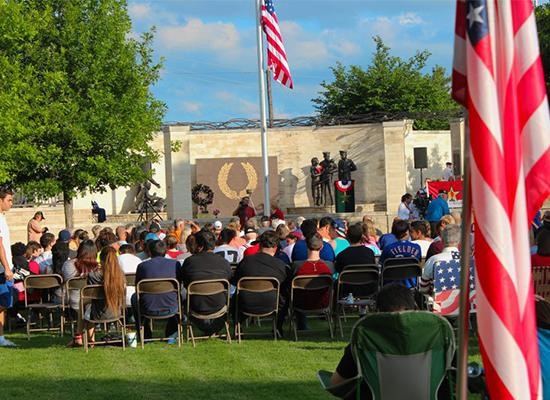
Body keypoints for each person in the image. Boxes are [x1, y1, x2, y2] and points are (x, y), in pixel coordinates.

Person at [329, 284, 417, 398]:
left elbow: (336, 383)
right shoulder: (434, 339)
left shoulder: (364, 342)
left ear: (378, 313)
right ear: (416, 309)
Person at [233, 230, 291, 335]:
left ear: (259, 245)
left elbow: (235, 280)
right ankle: (278, 327)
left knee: (235, 296)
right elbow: (286, 285)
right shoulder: (280, 265)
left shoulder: (246, 261)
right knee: (284, 295)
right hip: (272, 304)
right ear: (275, 247)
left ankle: (237, 326)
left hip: (246, 303)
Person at [177, 230, 232, 336]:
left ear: (199, 245)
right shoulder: (223, 262)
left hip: (196, 307)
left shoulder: (190, 262)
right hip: (219, 306)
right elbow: (229, 279)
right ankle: (212, 329)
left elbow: (184, 281)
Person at [132, 239, 179, 342]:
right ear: (165, 251)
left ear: (149, 252)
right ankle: (171, 336)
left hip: (149, 307)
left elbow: (137, 287)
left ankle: (146, 335)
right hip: (170, 305)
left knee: (134, 297)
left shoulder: (142, 266)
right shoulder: (175, 264)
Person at [84, 246, 125, 345]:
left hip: (97, 314)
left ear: (101, 259)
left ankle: (90, 340)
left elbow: (90, 295)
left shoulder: (93, 275)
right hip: (116, 312)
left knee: (84, 306)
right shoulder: (121, 275)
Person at [378, 220, 421, 288]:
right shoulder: (417, 248)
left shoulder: (387, 249)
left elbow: (382, 265)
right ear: (407, 232)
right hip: (411, 284)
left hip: (391, 284)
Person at [419, 224, 461, 294]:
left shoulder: (433, 260)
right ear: (459, 241)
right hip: (463, 303)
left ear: (442, 240)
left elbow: (423, 288)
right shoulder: (467, 261)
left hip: (437, 303)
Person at [0, 185, 15, 347]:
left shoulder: (2, 217)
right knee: (5, 302)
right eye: (9, 200)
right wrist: (7, 267)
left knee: (4, 304)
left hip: (5, 266)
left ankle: (1, 338)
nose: (11, 203)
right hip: (2, 268)